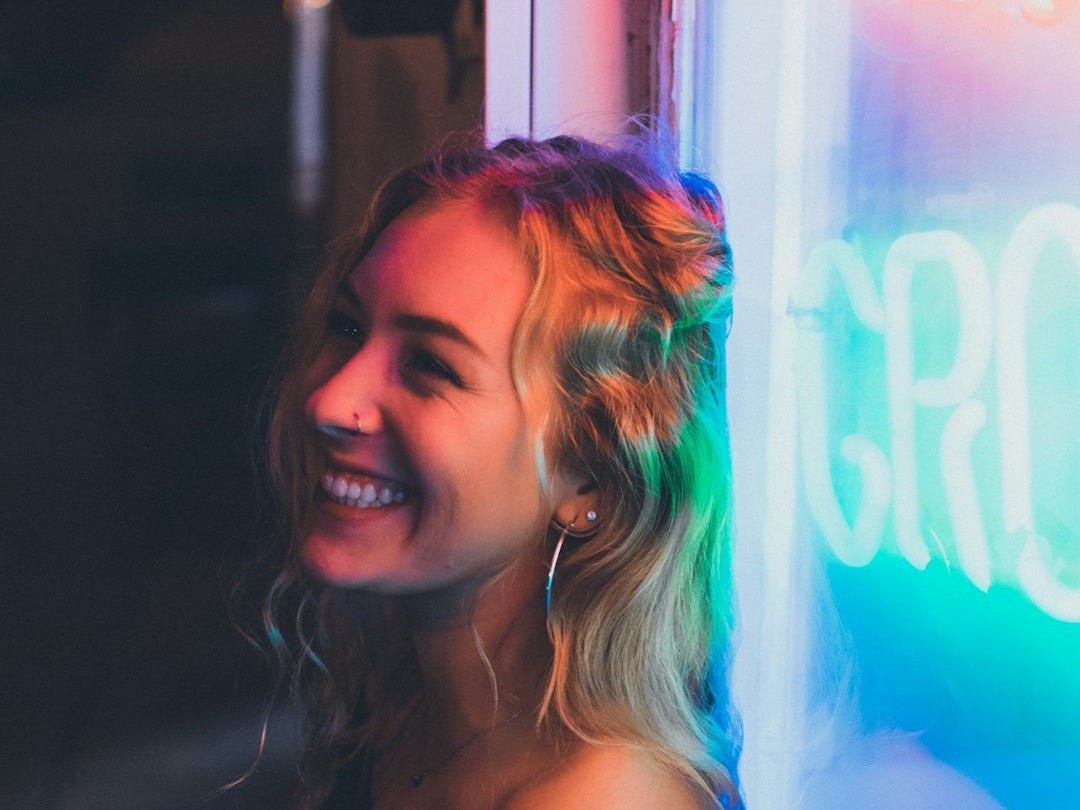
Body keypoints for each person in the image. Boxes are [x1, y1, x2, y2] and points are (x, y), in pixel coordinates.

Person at [262, 133, 741, 808]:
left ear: (591, 479)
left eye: (430, 365)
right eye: (346, 325)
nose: (328, 401)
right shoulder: (404, 709)